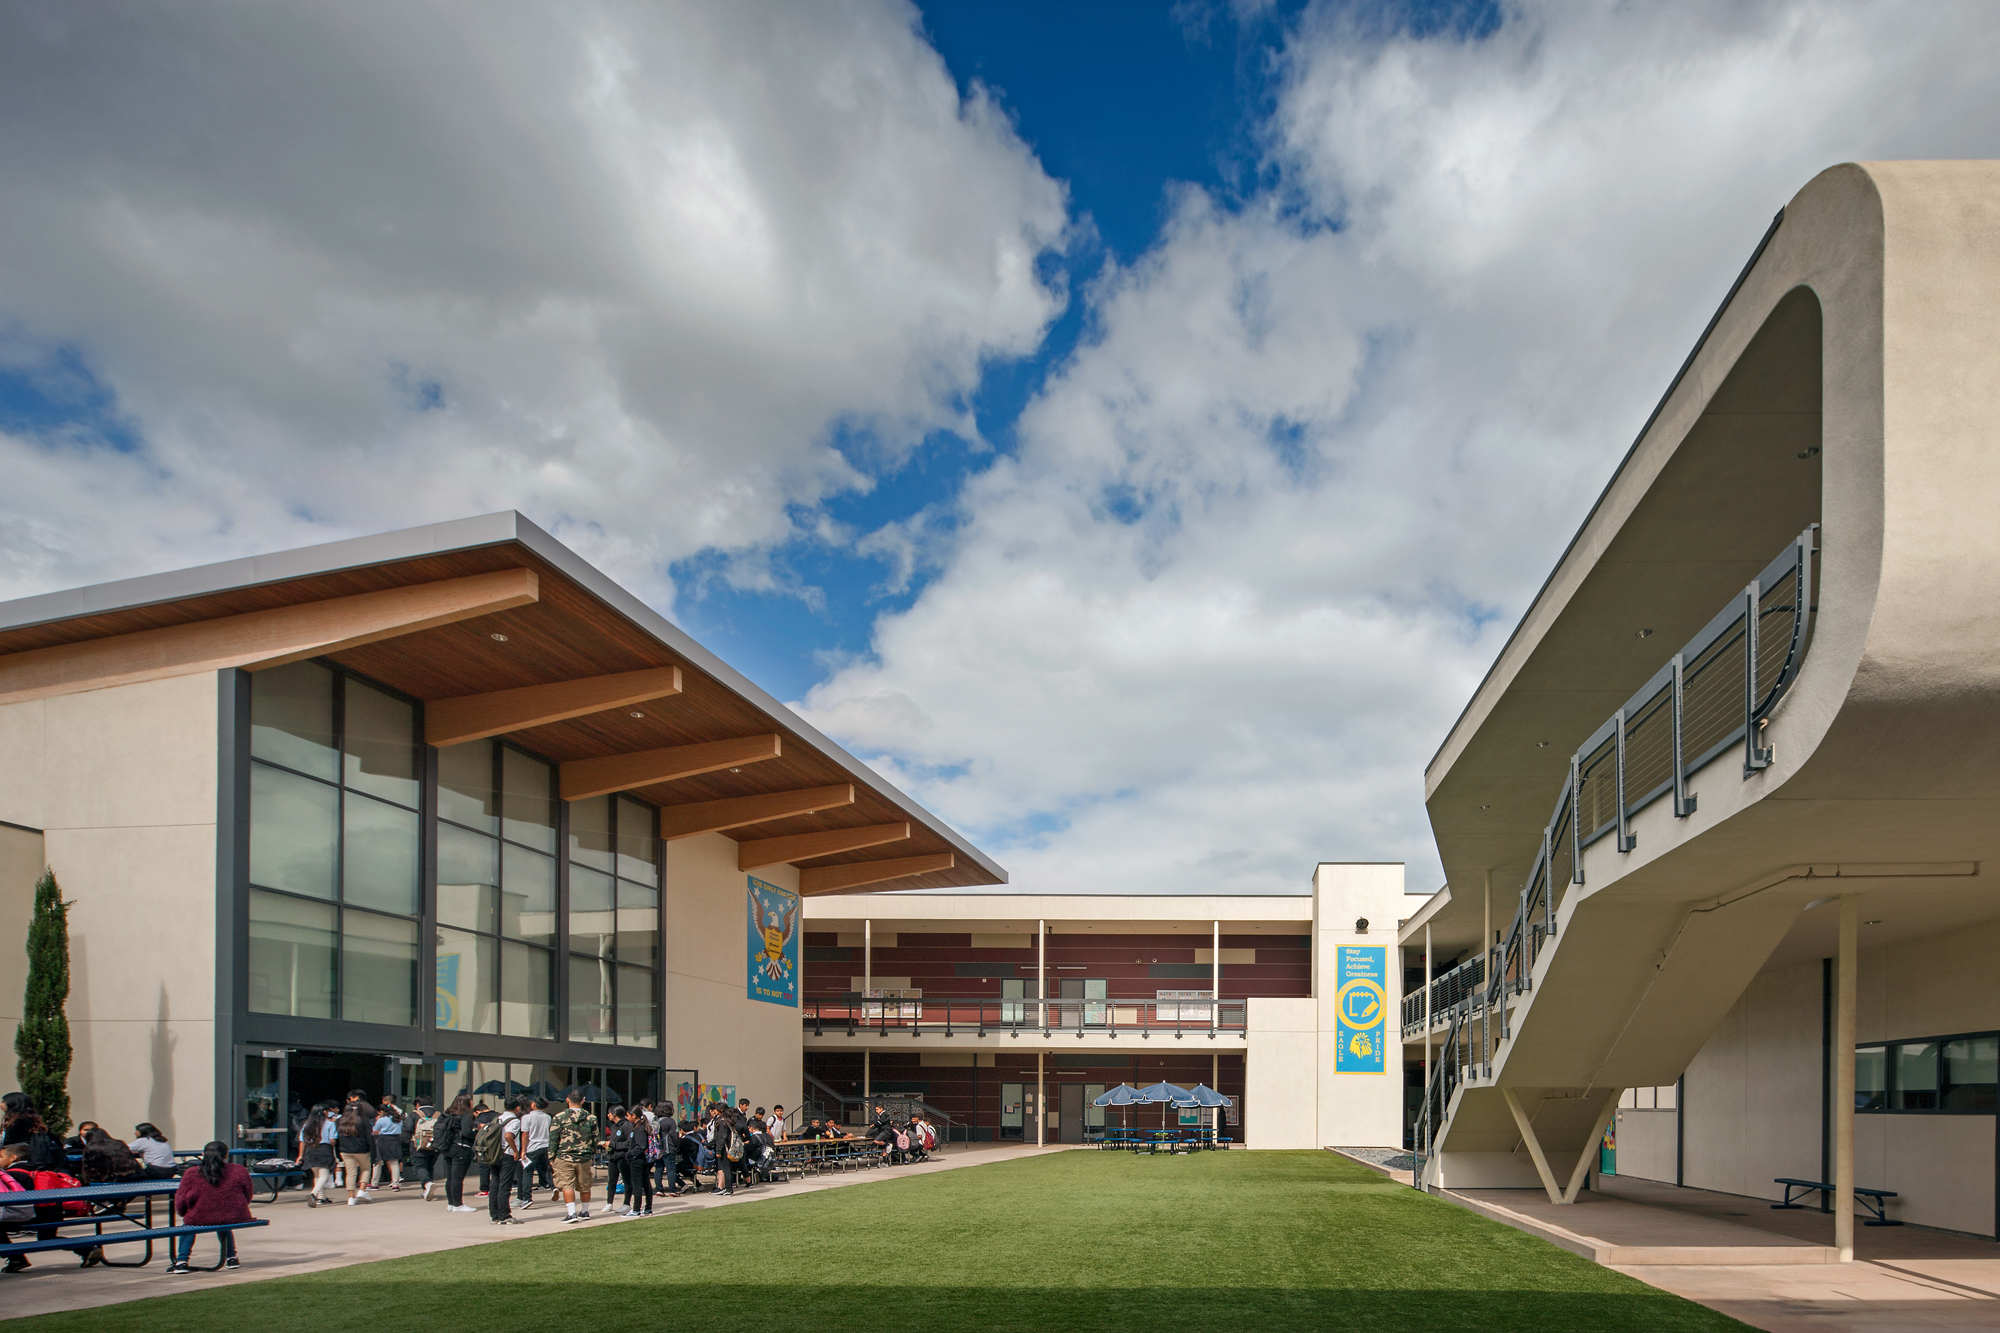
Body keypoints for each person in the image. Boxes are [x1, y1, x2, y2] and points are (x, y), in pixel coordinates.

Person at [169, 1141, 252, 1275]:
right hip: (234, 1214)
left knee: (189, 1224)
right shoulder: (239, 1170)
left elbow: (181, 1200)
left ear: (203, 1154)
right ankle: (231, 1257)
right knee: (223, 1221)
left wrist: (184, 1213)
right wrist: (238, 1207)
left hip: (201, 1216)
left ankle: (181, 1261)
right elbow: (248, 1194)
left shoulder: (191, 1173)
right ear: (226, 1155)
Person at [549, 1088, 599, 1223]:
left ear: (567, 1100)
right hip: (584, 1157)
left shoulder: (559, 1118)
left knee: (567, 1185)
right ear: (583, 1101)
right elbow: (595, 1139)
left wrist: (551, 1157)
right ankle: (585, 1211)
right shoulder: (591, 1118)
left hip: (564, 1156)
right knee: (585, 1185)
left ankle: (571, 1213)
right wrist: (592, 1153)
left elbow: (553, 1139)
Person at [604, 1105, 652, 1216]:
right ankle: (646, 1208)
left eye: (628, 1115)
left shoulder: (637, 1128)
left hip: (636, 1159)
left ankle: (636, 1209)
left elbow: (639, 1146)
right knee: (644, 1183)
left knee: (637, 1184)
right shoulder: (636, 1126)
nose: (627, 1117)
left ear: (633, 1115)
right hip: (631, 1158)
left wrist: (630, 1154)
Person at [435, 1094, 479, 1213]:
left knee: (450, 1177)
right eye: (471, 1101)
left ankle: (451, 1203)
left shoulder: (449, 1113)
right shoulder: (465, 1115)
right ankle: (458, 1204)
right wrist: (477, 1133)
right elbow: (466, 1132)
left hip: (448, 1147)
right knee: (458, 1177)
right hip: (461, 1147)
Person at [484, 1098, 525, 1225]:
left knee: (495, 1183)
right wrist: (515, 1151)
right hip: (507, 1154)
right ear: (517, 1108)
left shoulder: (498, 1119)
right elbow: (508, 1135)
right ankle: (504, 1215)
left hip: (495, 1154)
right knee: (505, 1185)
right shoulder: (514, 1121)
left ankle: (495, 1215)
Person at [0, 1096, 61, 1169]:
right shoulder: (30, 1117)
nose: (1, 1105)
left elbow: (8, 1140)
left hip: (20, 1157)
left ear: (13, 1103)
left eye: (3, 1102)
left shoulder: (19, 1119)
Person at [335, 1099, 375, 1206]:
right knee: (366, 1169)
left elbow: (336, 1138)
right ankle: (362, 1189)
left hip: (345, 1150)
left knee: (350, 1173)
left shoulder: (339, 1121)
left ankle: (351, 1198)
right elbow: (370, 1139)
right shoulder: (365, 1122)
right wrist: (373, 1152)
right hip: (362, 1150)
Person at [296, 1104, 336, 1207]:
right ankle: (314, 1193)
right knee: (324, 1175)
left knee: (317, 1175)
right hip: (324, 1149)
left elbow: (302, 1141)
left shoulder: (306, 1125)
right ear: (324, 1112)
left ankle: (321, 1197)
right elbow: (332, 1140)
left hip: (310, 1150)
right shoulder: (329, 1124)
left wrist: (301, 1155)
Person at [517, 1097, 552, 1207]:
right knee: (546, 1168)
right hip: (545, 1145)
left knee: (527, 1172)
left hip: (532, 1147)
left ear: (533, 1105)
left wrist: (523, 1150)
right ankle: (552, 1185)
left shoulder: (526, 1117)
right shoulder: (547, 1117)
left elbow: (525, 1134)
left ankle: (526, 1197)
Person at [372, 1096, 405, 1191]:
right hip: (395, 1140)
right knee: (394, 1162)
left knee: (378, 1162)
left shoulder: (381, 1120)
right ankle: (395, 1184)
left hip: (383, 1140)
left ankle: (374, 1183)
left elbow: (375, 1131)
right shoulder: (398, 1119)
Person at [410, 1103, 440, 1201]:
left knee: (419, 1166)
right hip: (434, 1145)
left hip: (418, 1146)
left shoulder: (414, 1115)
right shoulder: (438, 1115)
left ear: (417, 1104)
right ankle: (426, 1191)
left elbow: (407, 1128)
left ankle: (427, 1184)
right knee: (429, 1166)